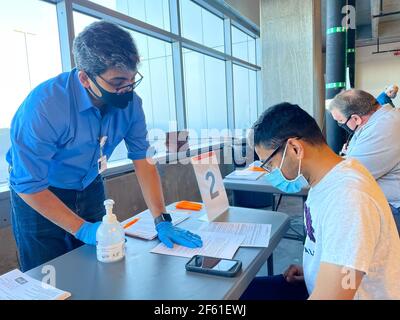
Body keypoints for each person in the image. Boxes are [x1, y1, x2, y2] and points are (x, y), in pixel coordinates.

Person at [6, 21, 202, 272]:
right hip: (40, 194)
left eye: (132, 80)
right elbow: (29, 184)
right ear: (85, 78)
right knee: (47, 274)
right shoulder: (44, 107)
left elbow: (143, 160)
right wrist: (81, 228)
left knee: (98, 265)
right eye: (118, 81)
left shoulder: (131, 104)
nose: (127, 89)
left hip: (89, 185)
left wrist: (161, 219)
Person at [241, 102, 400, 300]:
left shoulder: (347, 198)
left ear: (295, 148)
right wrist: (315, 270)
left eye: (269, 164)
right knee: (239, 291)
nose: (270, 173)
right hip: (316, 286)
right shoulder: (330, 176)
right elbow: (343, 259)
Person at [328, 89, 400, 233]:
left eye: (341, 121)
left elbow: (352, 175)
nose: (341, 126)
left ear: (356, 118)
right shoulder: (378, 121)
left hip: (391, 208)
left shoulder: (382, 128)